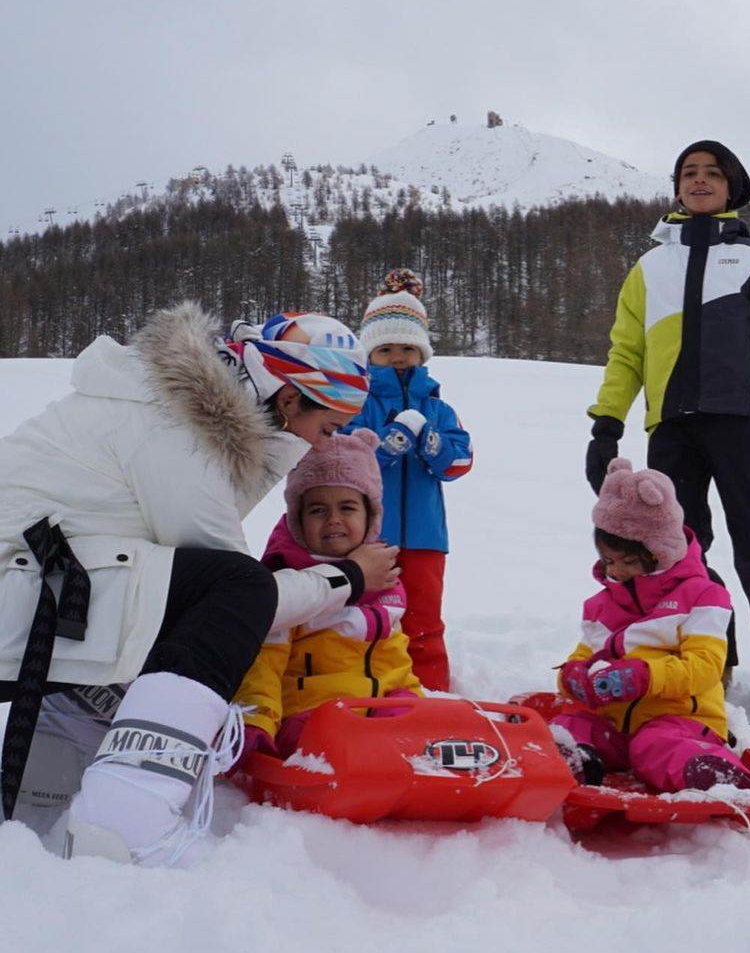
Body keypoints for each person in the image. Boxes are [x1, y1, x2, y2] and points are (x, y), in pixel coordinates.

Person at [0, 303, 396, 864]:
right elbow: (245, 599)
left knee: (177, 600)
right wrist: (349, 577)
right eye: (325, 427)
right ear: (288, 401)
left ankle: (55, 789)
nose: (322, 444)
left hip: (42, 587)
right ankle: (123, 817)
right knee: (233, 594)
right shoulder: (177, 433)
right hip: (23, 594)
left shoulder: (173, 410)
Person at [584, 140, 750, 721]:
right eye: (688, 172)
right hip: (671, 428)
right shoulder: (649, 268)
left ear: (732, 186)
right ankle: (709, 665)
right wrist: (606, 426)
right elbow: (626, 353)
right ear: (676, 187)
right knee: (676, 553)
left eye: (712, 173)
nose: (699, 180)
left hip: (738, 422)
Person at [552, 458, 750, 793]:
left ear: (658, 553)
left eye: (628, 561)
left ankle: (710, 773)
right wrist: (572, 675)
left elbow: (704, 667)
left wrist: (645, 676)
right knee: (572, 724)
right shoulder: (602, 604)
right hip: (614, 724)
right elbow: (584, 653)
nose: (615, 571)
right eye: (608, 560)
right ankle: (569, 760)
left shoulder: (702, 597)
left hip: (679, 722)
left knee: (656, 746)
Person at [234, 430, 420, 768]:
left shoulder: (385, 581)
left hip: (381, 706)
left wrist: (411, 699)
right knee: (335, 741)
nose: (334, 519)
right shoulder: (291, 584)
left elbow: (395, 660)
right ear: (298, 520)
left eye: (347, 507)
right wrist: (257, 721)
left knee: (419, 733)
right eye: (318, 510)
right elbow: (263, 667)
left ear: (370, 517)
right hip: (311, 713)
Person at [342, 270, 473, 692]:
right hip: (369, 538)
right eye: (386, 349)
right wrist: (389, 443)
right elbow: (345, 461)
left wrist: (431, 443)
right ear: (370, 353)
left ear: (421, 352)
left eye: (407, 348)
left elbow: (461, 461)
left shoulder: (438, 409)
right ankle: (370, 690)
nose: (397, 357)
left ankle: (431, 695)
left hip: (425, 538)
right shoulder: (356, 404)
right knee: (368, 618)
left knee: (423, 622)